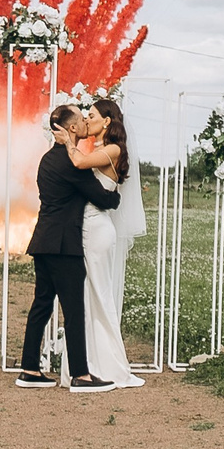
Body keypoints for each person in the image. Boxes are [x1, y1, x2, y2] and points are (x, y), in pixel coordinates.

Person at [18, 105, 123, 392]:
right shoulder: (69, 162)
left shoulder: (47, 159)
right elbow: (100, 198)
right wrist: (116, 198)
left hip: (43, 242)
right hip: (65, 246)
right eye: (81, 119)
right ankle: (81, 375)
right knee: (74, 310)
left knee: (41, 306)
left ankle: (29, 369)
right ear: (72, 129)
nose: (86, 123)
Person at [60, 99, 147, 388]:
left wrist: (67, 141)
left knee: (99, 295)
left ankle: (110, 365)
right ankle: (88, 363)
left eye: (92, 116)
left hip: (97, 229)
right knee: (86, 297)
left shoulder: (112, 150)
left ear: (107, 122)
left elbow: (79, 163)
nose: (88, 119)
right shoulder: (100, 149)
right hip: (87, 227)